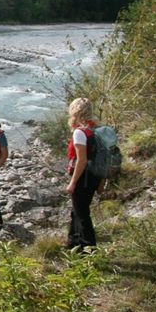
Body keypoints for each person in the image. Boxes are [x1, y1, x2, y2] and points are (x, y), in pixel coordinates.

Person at [65, 97, 101, 250]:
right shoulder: (96, 130)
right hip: (94, 176)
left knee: (82, 213)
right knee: (77, 210)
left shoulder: (80, 133)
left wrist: (72, 183)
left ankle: (89, 248)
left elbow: (82, 160)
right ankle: (73, 242)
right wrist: (102, 183)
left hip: (83, 177)